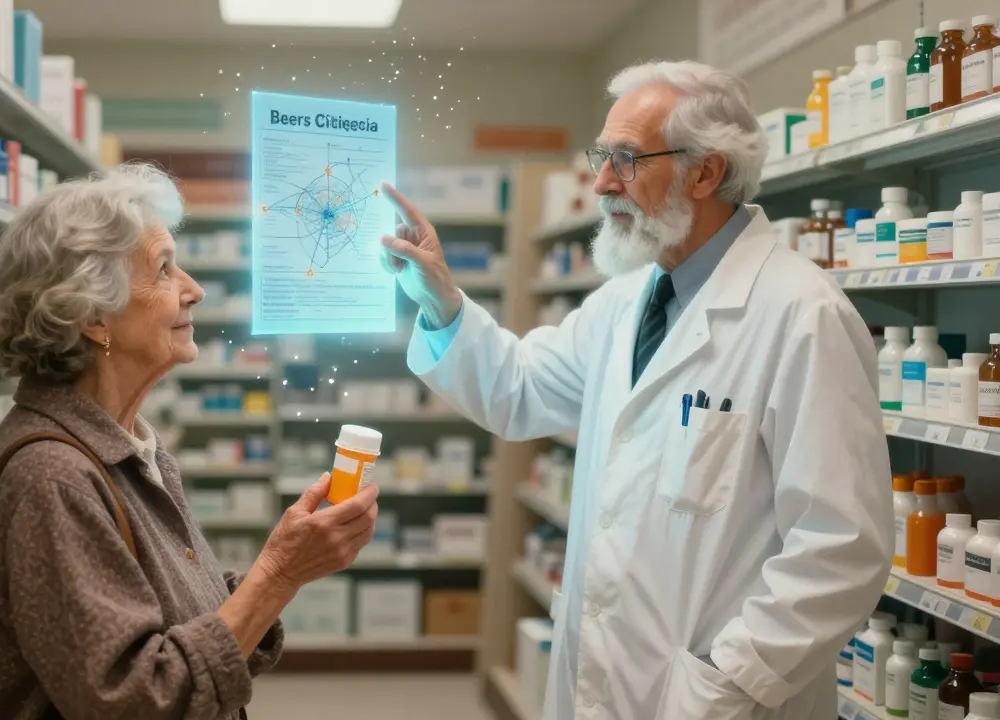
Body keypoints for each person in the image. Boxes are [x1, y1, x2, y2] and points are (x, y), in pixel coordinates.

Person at [380, 61, 892, 719]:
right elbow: (520, 390)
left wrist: (722, 686)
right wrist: (442, 300)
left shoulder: (802, 316)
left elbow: (840, 549)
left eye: (625, 160)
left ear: (704, 173)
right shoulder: (627, 300)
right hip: (605, 681)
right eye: (603, 156)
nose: (599, 183)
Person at [0, 163, 380, 720]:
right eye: (163, 269)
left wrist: (285, 559)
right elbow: (135, 699)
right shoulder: (53, 478)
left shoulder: (125, 447)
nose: (195, 290)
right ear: (92, 316)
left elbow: (170, 624)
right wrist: (279, 574)